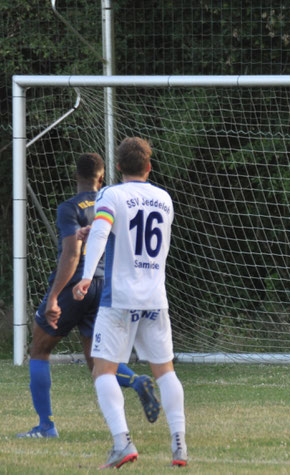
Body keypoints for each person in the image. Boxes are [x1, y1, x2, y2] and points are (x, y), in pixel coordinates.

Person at [16, 153, 160, 439]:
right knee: (97, 360)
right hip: (106, 285)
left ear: (75, 176)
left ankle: (46, 426)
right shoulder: (113, 203)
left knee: (39, 349)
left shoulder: (70, 207)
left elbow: (72, 253)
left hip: (77, 285)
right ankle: (136, 380)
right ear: (103, 177)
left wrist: (55, 296)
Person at [72, 137, 187, 469]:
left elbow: (104, 231)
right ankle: (179, 444)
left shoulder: (111, 194)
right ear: (149, 167)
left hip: (120, 296)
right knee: (165, 372)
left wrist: (85, 274)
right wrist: (99, 227)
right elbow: (136, 230)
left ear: (118, 167)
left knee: (102, 369)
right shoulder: (164, 199)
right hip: (155, 296)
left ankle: (122, 442)